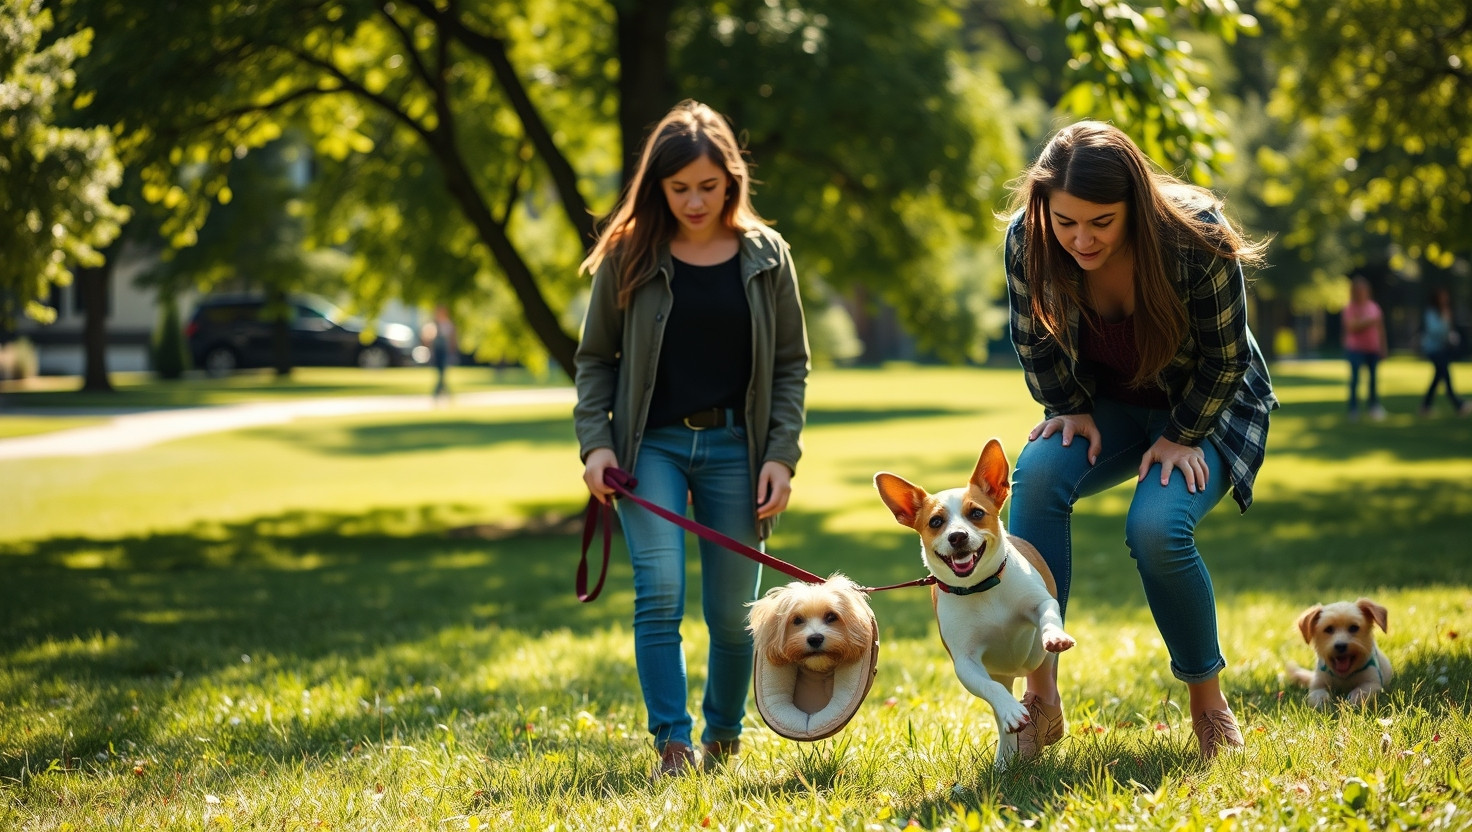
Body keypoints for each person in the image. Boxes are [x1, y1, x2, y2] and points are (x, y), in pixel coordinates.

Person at [1001, 121, 1278, 762]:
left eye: (1101, 222)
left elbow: (1228, 359)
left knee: (1156, 527)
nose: (1081, 239)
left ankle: (1209, 706)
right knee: (1036, 475)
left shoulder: (1196, 238)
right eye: (1066, 222)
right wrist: (1069, 407)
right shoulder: (1027, 238)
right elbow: (1032, 340)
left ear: (1136, 203)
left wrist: (1182, 436)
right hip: (1109, 405)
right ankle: (1041, 698)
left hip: (1207, 406)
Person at [572, 100, 810, 778]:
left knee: (736, 613)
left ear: (732, 179)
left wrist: (781, 456)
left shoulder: (768, 255)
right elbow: (594, 360)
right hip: (650, 450)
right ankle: (672, 745)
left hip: (739, 449)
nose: (696, 201)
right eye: (680, 188)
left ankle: (723, 737)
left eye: (709, 186)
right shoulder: (629, 254)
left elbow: (791, 365)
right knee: (660, 591)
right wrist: (596, 445)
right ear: (658, 186)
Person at [1419, 287, 1470, 416]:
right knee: (1445, 376)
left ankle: (1426, 406)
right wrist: (1445, 320)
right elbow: (1435, 331)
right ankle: (1458, 405)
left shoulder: (1445, 311)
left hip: (1442, 349)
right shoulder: (1432, 313)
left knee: (1438, 378)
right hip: (1434, 350)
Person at [1342, 276, 1388, 421]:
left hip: (1372, 348)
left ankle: (1373, 407)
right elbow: (1351, 327)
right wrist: (1368, 322)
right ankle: (1353, 409)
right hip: (1355, 349)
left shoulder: (1374, 307)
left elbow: (1380, 328)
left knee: (1373, 380)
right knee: (1355, 380)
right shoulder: (1350, 308)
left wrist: (1383, 347)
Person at [420, 306, 454, 403]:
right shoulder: (432, 325)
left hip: (444, 352)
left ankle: (438, 392)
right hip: (436, 352)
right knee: (440, 373)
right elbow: (426, 338)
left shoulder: (447, 324)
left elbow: (451, 339)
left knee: (442, 372)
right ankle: (444, 392)